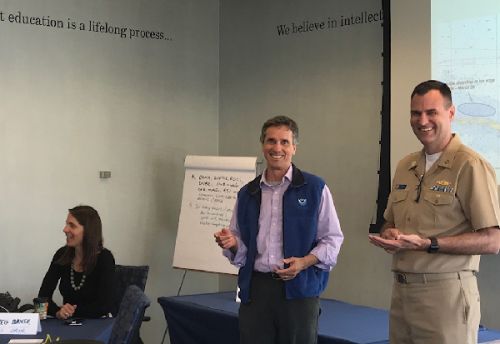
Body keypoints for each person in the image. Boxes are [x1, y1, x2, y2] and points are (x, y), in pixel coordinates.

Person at [369, 80, 500, 344]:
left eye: (432, 112)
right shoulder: (405, 165)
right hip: (402, 293)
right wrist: (390, 234)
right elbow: (388, 224)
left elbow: (492, 240)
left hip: (446, 295)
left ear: (450, 114)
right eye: (416, 113)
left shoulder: (470, 165)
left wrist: (430, 244)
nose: (422, 120)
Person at [214, 115, 344, 344]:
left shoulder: (315, 188)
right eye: (271, 141)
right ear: (263, 146)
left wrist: (303, 262)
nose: (277, 148)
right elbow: (242, 247)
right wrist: (232, 244)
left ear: (294, 147)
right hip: (256, 291)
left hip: (300, 291)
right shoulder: (247, 193)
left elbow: (332, 239)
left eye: (284, 142)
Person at [38, 205, 115, 319]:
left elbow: (105, 306)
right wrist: (58, 312)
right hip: (68, 324)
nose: (65, 229)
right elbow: (42, 298)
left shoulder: (105, 258)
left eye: (72, 225)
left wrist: (71, 312)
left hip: (96, 325)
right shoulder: (62, 254)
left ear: (88, 231)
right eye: (66, 224)